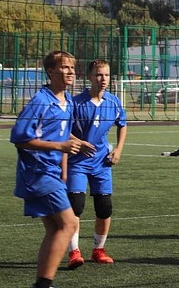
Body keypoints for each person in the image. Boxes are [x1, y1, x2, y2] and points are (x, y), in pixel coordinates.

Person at [10, 50, 96, 288]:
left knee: (55, 228)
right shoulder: (41, 101)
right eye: (65, 67)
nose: (71, 72)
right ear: (50, 71)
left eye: (72, 67)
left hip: (52, 172)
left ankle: (42, 283)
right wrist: (61, 145)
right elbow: (19, 137)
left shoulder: (67, 101)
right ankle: (44, 284)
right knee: (69, 224)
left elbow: (57, 130)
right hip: (37, 172)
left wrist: (73, 144)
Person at [65, 58, 128, 269]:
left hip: (102, 163)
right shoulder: (75, 103)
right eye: (99, 74)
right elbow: (62, 130)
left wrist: (118, 149)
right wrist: (79, 143)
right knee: (76, 205)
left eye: (107, 75)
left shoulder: (114, 102)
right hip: (78, 162)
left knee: (104, 207)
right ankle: (74, 252)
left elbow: (123, 124)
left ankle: (98, 250)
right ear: (90, 77)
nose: (103, 79)